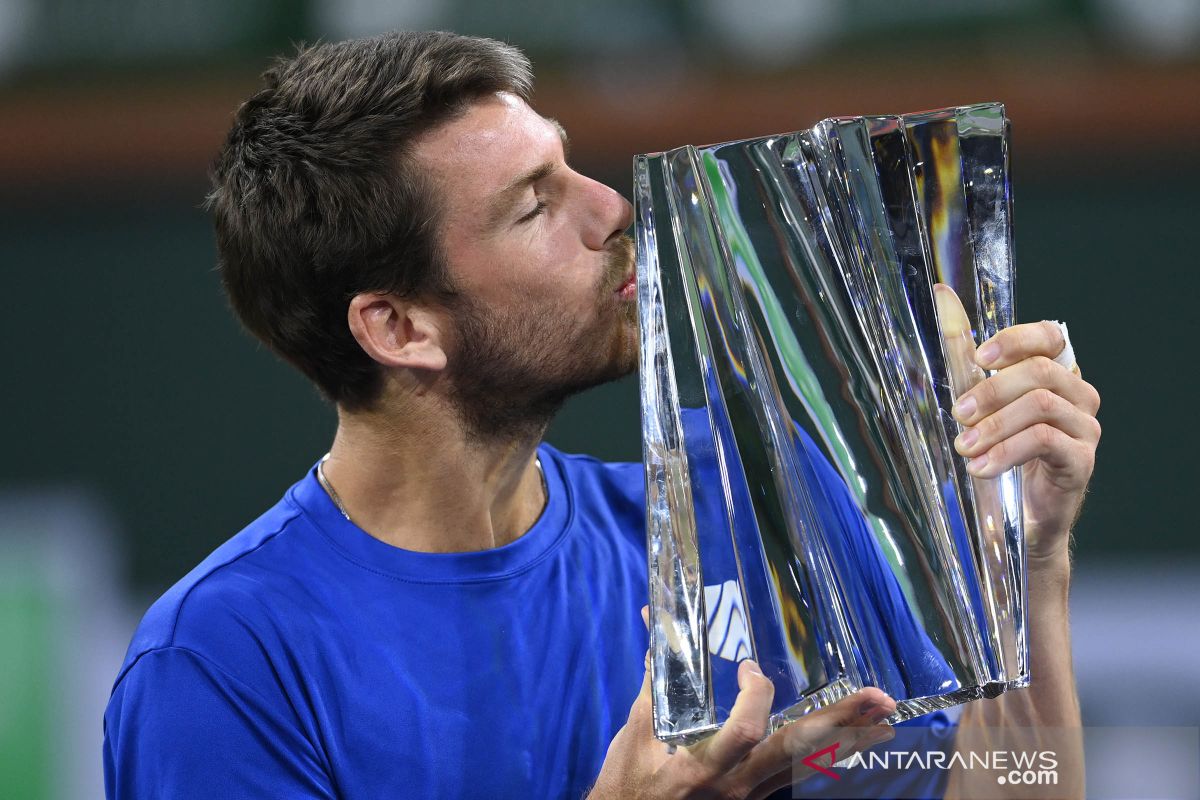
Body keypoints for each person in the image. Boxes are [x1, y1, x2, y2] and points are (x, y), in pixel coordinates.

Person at [102, 31, 1101, 799]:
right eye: (534, 206)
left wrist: (1023, 562)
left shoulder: (752, 497)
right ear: (400, 326)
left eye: (568, 163)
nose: (613, 208)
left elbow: (1024, 782)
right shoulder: (223, 660)